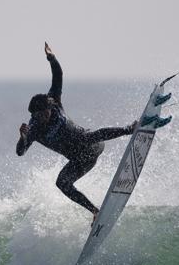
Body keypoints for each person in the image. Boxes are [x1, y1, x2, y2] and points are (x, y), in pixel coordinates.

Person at [16, 42, 137, 224]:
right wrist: (23, 138)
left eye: (47, 111)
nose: (46, 115)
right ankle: (95, 211)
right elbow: (20, 152)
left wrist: (51, 58)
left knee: (86, 137)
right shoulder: (34, 130)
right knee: (62, 183)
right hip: (79, 161)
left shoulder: (54, 101)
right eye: (41, 114)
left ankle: (129, 129)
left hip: (93, 145)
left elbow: (58, 75)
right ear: (35, 114)